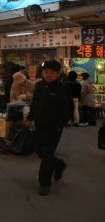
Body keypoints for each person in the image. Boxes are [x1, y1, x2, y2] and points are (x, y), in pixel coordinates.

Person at [23, 60, 73, 196]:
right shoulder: (39, 86)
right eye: (46, 72)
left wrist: (59, 125)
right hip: (40, 126)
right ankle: (59, 165)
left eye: (52, 72)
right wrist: (29, 117)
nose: (49, 75)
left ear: (57, 74)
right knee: (39, 150)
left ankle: (44, 183)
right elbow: (35, 104)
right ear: (43, 73)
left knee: (46, 154)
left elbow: (69, 109)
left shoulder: (63, 89)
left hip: (54, 128)